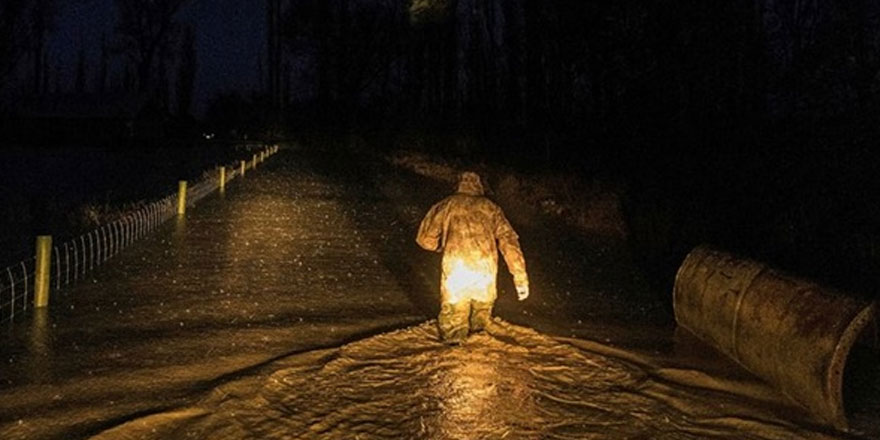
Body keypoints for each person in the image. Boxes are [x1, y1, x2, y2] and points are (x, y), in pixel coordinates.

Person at [416, 171, 529, 344]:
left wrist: (443, 246)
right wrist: (520, 277)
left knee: (453, 325)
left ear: (458, 184)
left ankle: (454, 357)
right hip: (485, 273)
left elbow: (424, 239)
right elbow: (509, 242)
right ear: (479, 185)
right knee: (480, 329)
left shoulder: (446, 205)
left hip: (456, 271)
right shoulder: (491, 208)